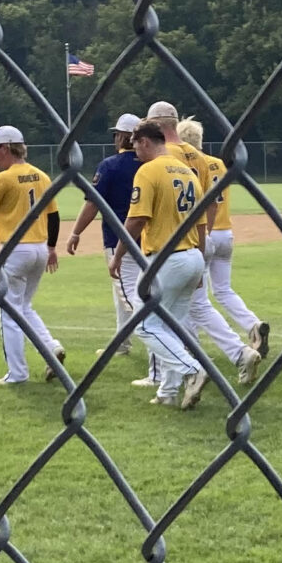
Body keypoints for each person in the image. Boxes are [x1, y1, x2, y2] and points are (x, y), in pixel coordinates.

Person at [124, 118, 209, 408]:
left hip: (165, 259)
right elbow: (201, 225)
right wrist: (202, 265)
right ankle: (168, 392)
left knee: (144, 325)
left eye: (135, 145)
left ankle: (192, 369)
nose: (134, 151)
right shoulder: (188, 172)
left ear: (145, 141)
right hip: (193, 255)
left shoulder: (148, 171)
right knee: (172, 325)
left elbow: (137, 219)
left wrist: (118, 255)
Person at [0, 125, 65, 385]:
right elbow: (54, 215)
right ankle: (51, 347)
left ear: (5, 148)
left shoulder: (4, 178)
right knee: (24, 306)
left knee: (8, 311)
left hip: (15, 250)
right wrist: (52, 248)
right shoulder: (41, 175)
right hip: (40, 247)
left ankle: (17, 374)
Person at [67, 111, 152, 383]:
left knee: (132, 299)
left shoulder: (110, 165)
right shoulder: (151, 164)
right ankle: (122, 343)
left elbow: (93, 204)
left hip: (118, 241)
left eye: (117, 134)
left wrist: (76, 232)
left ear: (124, 137)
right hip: (151, 240)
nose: (114, 139)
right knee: (126, 294)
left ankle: (165, 352)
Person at [178, 121, 267, 378]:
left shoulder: (188, 165)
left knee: (194, 299)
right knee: (222, 290)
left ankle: (195, 348)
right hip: (224, 231)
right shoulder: (218, 163)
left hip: (202, 232)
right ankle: (252, 324)